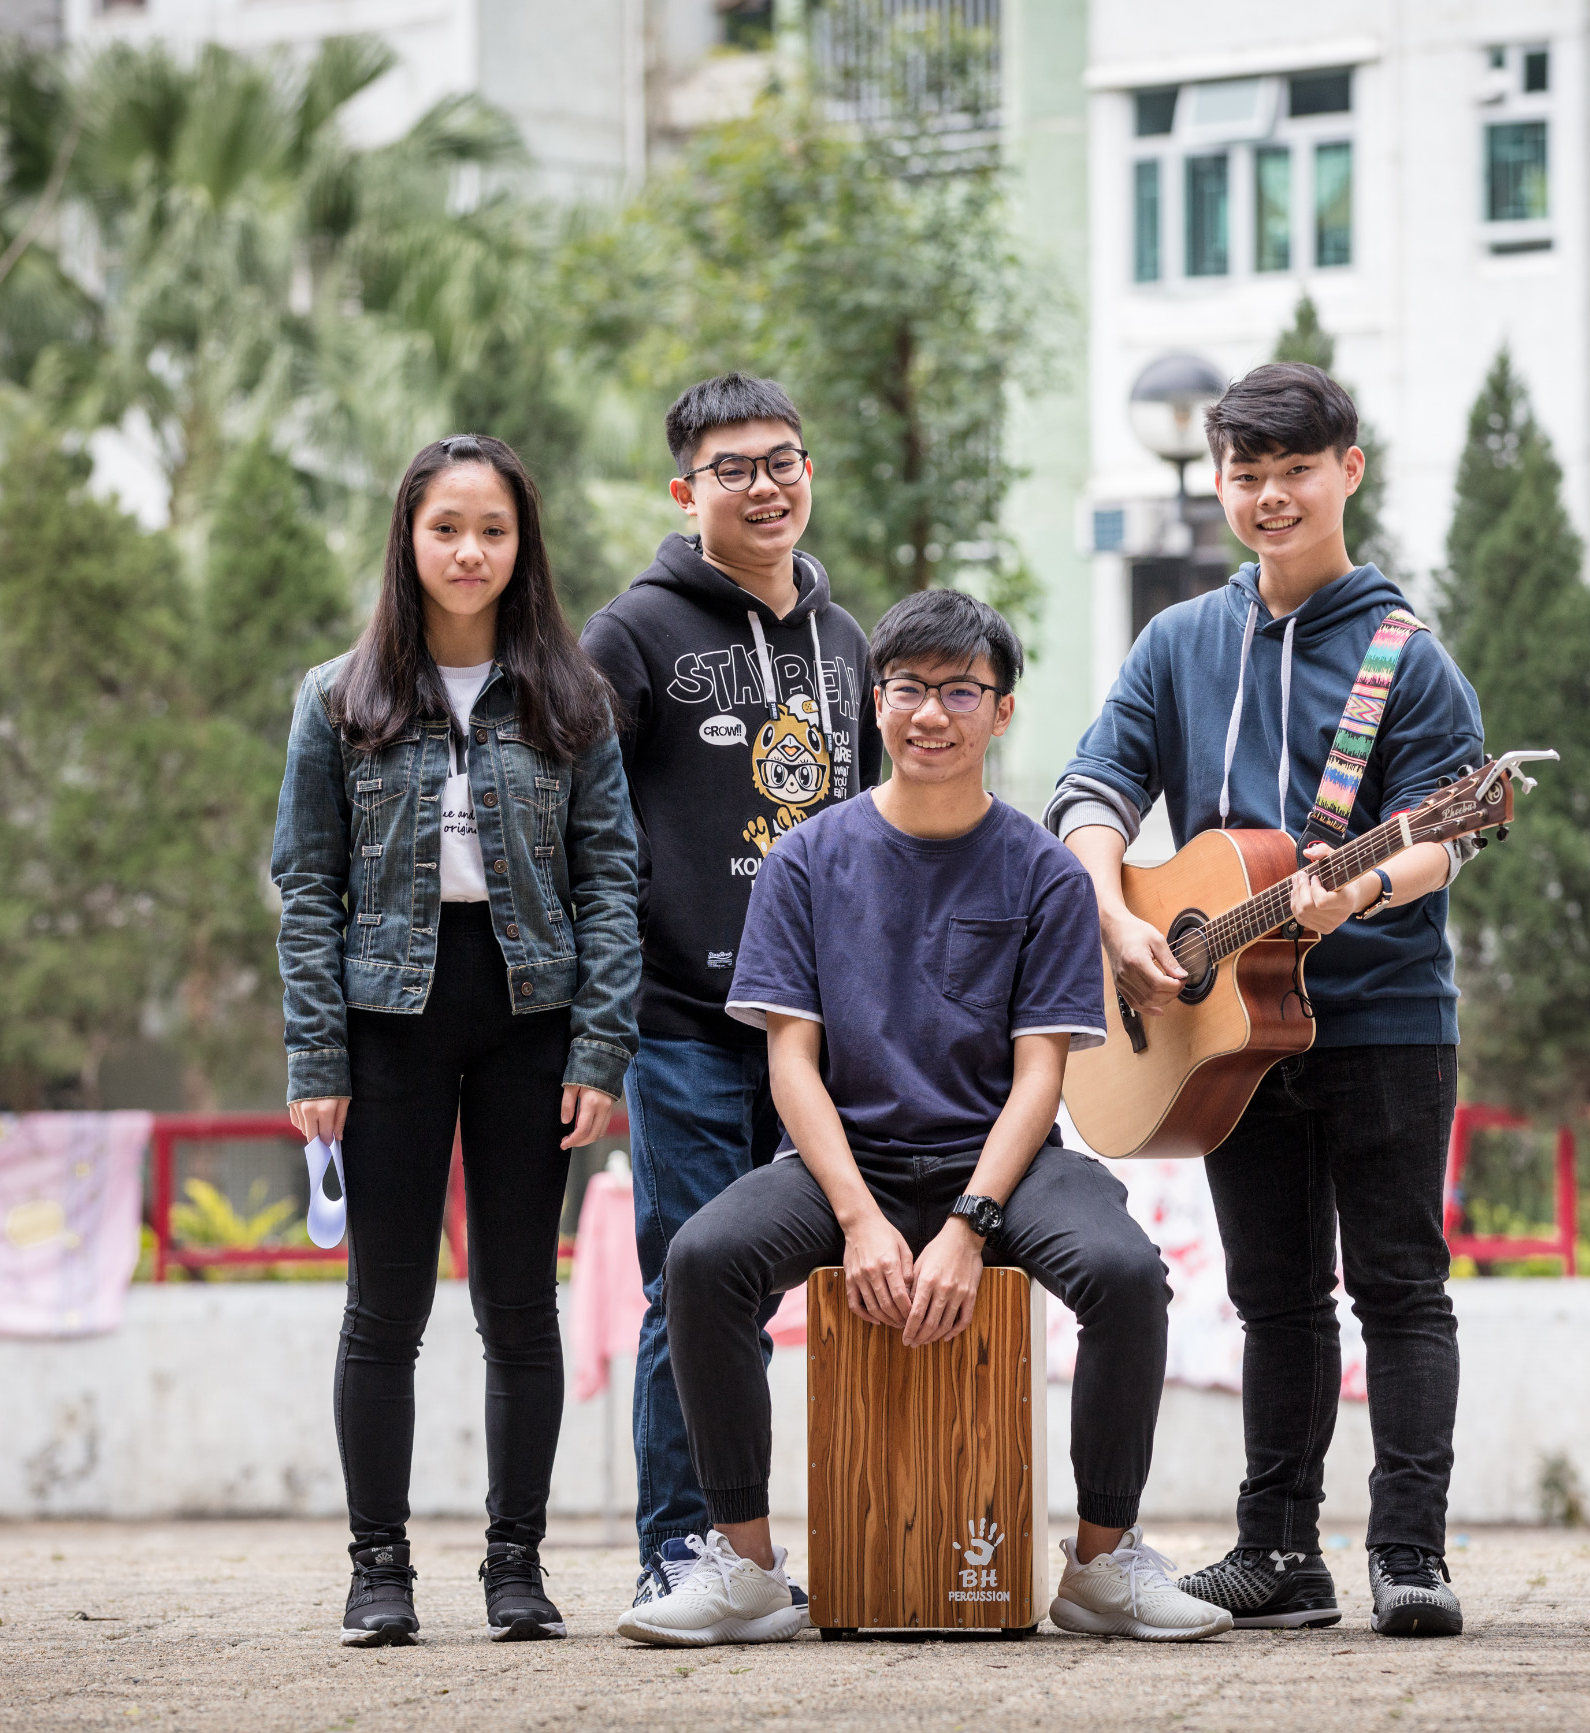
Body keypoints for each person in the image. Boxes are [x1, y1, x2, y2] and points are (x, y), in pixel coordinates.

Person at [617, 589, 1230, 1648]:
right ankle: (746, 1567)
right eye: (907, 688)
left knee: (1126, 1274)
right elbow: (791, 1065)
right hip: (845, 1160)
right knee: (702, 1260)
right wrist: (859, 1217)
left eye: (960, 691)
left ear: (1001, 711)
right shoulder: (806, 859)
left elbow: (1039, 1076)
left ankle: (1100, 1563)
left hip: (1002, 1162)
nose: (931, 713)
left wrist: (968, 1225)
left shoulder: (1043, 870)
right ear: (875, 701)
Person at [1047, 363, 1487, 1638]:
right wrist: (1112, 911)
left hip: (1384, 1014)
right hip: (1223, 1032)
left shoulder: (1407, 658)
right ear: (1221, 481)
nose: (1270, 496)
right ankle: (1278, 1552)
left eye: (1296, 470)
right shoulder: (1179, 640)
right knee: (1274, 1296)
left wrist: (1363, 890)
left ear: (1348, 471)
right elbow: (1092, 784)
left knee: (1398, 1285)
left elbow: (1448, 836)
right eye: (1247, 474)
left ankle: (1408, 1554)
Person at [273, 434, 640, 1646]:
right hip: (389, 1020)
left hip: (531, 1017)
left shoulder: (571, 699)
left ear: (521, 543)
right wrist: (316, 1058)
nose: (469, 550)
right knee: (383, 1308)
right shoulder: (339, 698)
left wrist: (598, 1047)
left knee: (518, 1305)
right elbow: (307, 886)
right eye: (446, 527)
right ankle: (377, 1569)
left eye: (492, 528)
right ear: (409, 540)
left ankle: (514, 1567)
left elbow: (611, 878)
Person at [579, 374, 880, 1607]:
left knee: (850, 1278)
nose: (765, 486)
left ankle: (842, 1547)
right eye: (733, 468)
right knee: (694, 1285)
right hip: (685, 1025)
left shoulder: (851, 644)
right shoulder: (629, 636)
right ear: (684, 489)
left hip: (831, 1032)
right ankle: (680, 1553)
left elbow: (878, 831)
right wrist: (599, 1019)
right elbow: (585, 833)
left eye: (782, 461)